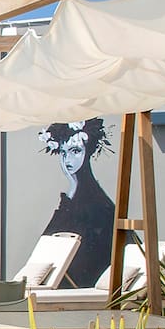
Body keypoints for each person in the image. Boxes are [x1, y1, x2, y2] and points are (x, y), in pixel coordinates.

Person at [40, 118, 114, 286]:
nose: (67, 160)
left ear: (87, 152)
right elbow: (48, 239)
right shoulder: (73, 197)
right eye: (63, 152)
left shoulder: (98, 204)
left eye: (75, 151)